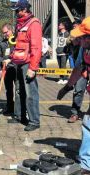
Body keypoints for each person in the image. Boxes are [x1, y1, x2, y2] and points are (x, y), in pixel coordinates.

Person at [57, 16, 90, 174]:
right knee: (88, 124)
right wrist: (67, 87)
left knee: (88, 124)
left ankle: (86, 164)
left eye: (82, 37)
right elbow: (78, 68)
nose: (79, 40)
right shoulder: (85, 48)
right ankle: (86, 163)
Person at [3, 0, 42, 131]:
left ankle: (34, 121)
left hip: (28, 64)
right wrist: (11, 58)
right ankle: (19, 115)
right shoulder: (20, 24)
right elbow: (17, 45)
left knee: (31, 93)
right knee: (19, 91)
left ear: (24, 9)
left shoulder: (33, 23)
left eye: (18, 10)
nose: (16, 13)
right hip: (18, 63)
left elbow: (36, 47)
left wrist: (33, 68)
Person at [1, 23, 17, 116]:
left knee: (18, 90)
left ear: (11, 30)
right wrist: (0, 69)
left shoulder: (16, 40)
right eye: (3, 33)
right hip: (6, 69)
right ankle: (10, 107)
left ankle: (19, 110)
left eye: (6, 32)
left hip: (16, 68)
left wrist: (11, 60)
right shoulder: (2, 42)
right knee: (9, 90)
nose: (5, 34)